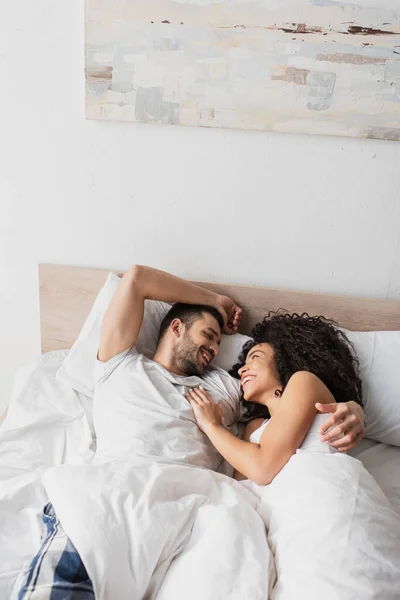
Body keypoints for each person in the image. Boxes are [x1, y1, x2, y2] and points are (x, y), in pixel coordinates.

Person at [18, 267, 364, 598]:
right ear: (177, 328)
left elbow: (284, 399)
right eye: (209, 336)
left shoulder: (223, 386)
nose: (216, 350)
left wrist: (352, 408)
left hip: (197, 509)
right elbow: (137, 279)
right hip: (117, 493)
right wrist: (214, 301)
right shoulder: (119, 365)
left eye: (218, 342)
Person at [186, 311, 364, 485]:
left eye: (255, 357)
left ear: (283, 359)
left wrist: (212, 426)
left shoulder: (304, 381)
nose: (241, 370)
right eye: (244, 364)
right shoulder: (254, 428)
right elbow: (241, 489)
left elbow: (262, 470)